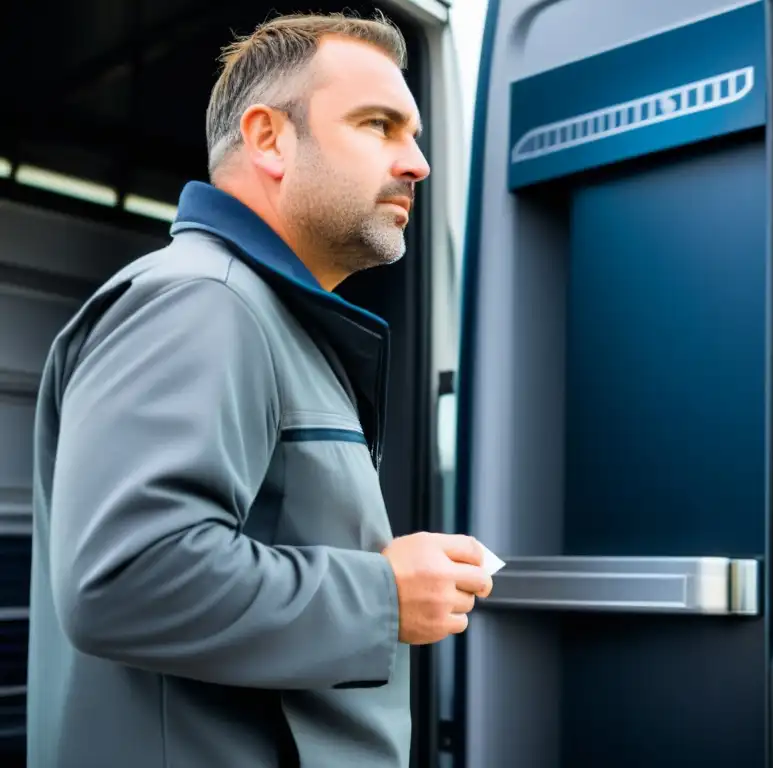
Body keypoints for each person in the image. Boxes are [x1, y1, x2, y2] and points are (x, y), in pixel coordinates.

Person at [26, 11, 491, 768]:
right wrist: (381, 595)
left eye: (413, 134)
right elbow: (127, 576)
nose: (417, 163)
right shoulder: (202, 302)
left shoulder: (267, 316)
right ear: (269, 138)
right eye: (379, 125)